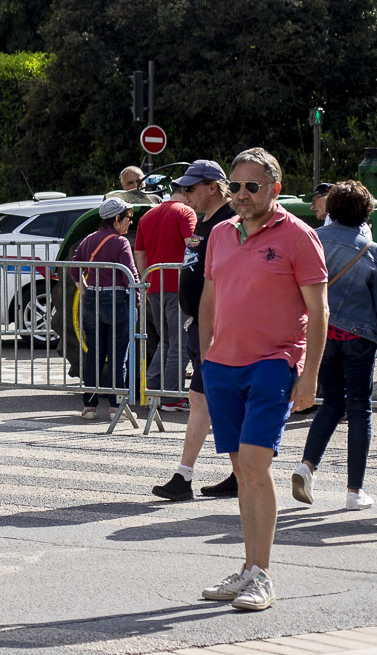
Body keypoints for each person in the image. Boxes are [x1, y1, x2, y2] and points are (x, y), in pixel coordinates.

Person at [197, 148, 328, 613]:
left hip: (274, 362)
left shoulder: (299, 236)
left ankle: (262, 575)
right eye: (235, 186)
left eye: (252, 186)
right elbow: (209, 298)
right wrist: (205, 356)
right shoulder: (220, 235)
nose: (242, 195)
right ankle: (249, 568)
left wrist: (309, 374)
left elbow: (318, 310)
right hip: (222, 365)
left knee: (255, 465)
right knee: (241, 471)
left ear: (275, 188)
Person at [293, 181, 377, 512]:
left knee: (330, 404)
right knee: (359, 410)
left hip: (321, 335)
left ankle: (306, 466)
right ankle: (355, 492)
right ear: (366, 212)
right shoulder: (372, 251)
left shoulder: (313, 240)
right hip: (358, 338)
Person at [153, 161, 234, 501]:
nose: (184, 194)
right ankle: (188, 475)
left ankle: (241, 472)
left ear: (212, 187)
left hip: (217, 327)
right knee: (205, 401)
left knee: (221, 402)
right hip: (201, 325)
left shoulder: (228, 222)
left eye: (190, 188)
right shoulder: (206, 220)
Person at [73, 198, 137, 421]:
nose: (130, 222)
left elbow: (74, 265)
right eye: (128, 218)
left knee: (95, 354)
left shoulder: (89, 239)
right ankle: (115, 408)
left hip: (92, 299)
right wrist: (137, 299)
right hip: (118, 299)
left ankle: (89, 407)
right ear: (117, 218)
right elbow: (130, 274)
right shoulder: (121, 243)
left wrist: (84, 288)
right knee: (119, 355)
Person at [136, 181, 197, 407]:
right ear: (185, 193)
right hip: (178, 286)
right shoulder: (185, 212)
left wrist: (147, 279)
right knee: (180, 343)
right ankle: (172, 396)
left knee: (167, 341)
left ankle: (152, 385)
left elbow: (139, 253)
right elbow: (192, 244)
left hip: (154, 285)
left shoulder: (147, 217)